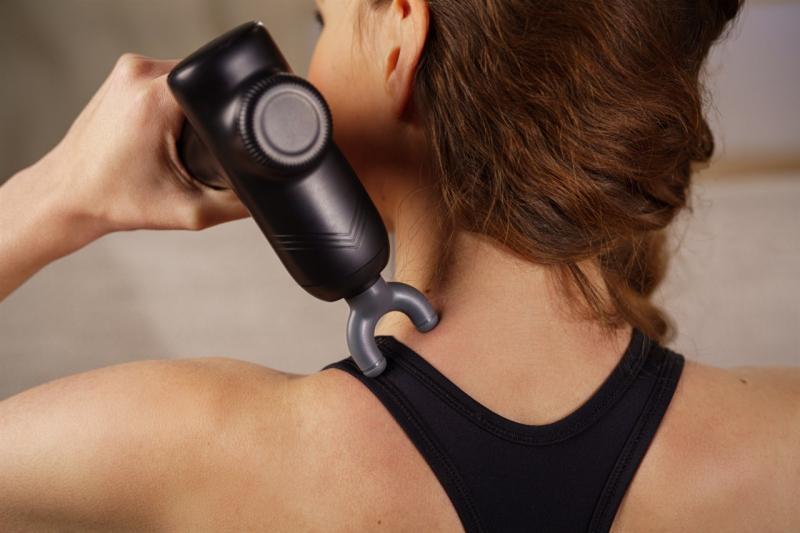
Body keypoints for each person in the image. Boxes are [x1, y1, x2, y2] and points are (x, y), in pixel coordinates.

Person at [0, 0, 797, 530]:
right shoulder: (780, 440)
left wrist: (60, 193)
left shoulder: (192, 443)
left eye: (325, 21)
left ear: (400, 38)